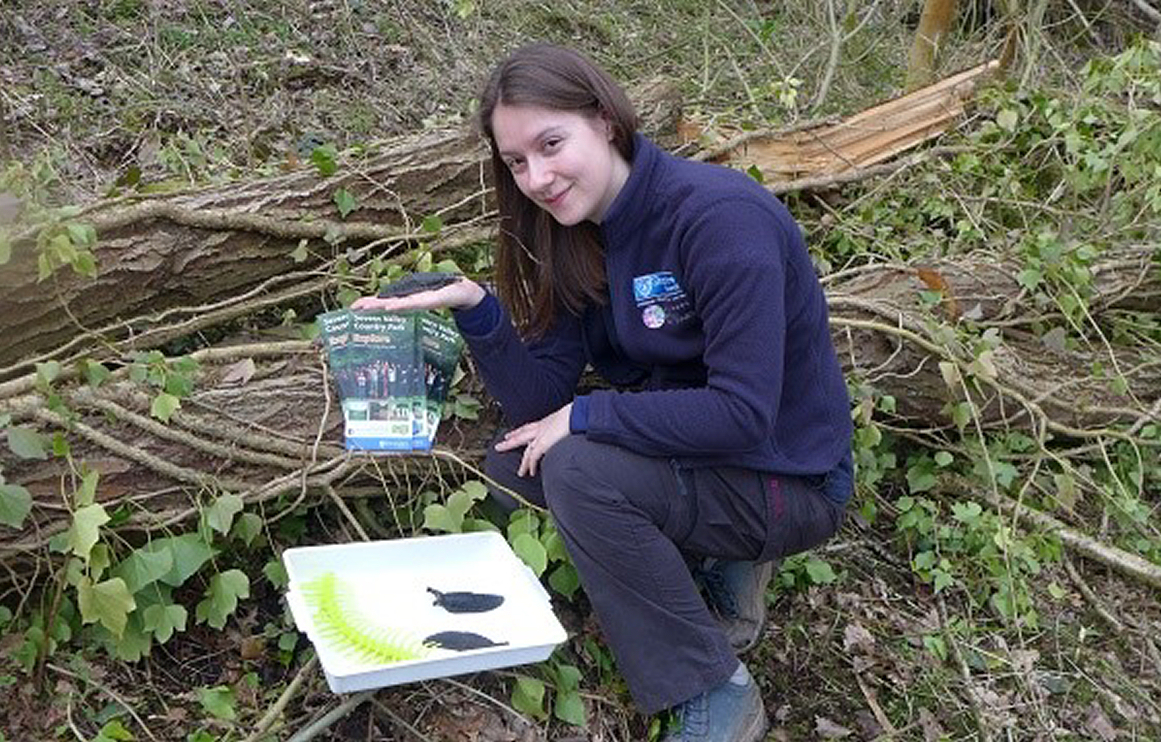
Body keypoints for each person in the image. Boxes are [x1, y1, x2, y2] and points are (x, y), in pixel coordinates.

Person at [352, 43, 853, 742]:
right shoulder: (580, 235)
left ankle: (715, 686)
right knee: (513, 462)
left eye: (550, 143)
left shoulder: (718, 220)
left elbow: (742, 413)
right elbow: (536, 403)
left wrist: (588, 414)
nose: (537, 177)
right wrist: (477, 309)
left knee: (578, 469)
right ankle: (696, 570)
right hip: (704, 453)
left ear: (606, 121)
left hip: (787, 472)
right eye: (517, 162)